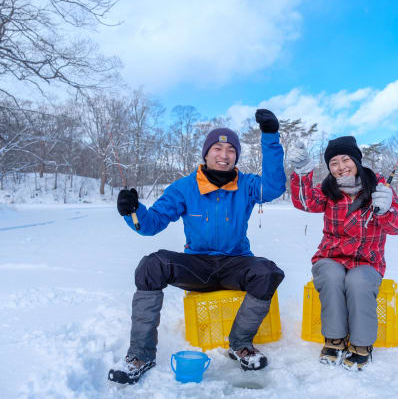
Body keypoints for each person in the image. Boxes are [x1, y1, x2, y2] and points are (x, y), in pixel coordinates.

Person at [108, 109, 286, 384]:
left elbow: (274, 187)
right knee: (151, 265)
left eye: (230, 150)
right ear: (206, 154)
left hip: (236, 263)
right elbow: (152, 223)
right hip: (198, 266)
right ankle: (140, 354)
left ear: (236, 156)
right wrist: (132, 212)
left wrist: (270, 137)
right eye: (217, 148)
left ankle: (240, 344)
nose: (224, 155)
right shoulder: (184, 188)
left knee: (267, 272)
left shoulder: (248, 185)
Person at [287, 136, 398, 370]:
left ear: (357, 160)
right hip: (330, 257)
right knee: (332, 277)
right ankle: (334, 339)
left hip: (367, 261)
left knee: (357, 280)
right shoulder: (329, 189)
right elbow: (304, 202)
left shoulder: (380, 188)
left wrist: (386, 211)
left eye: (345, 160)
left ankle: (362, 343)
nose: (341, 167)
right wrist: (302, 173)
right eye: (334, 163)